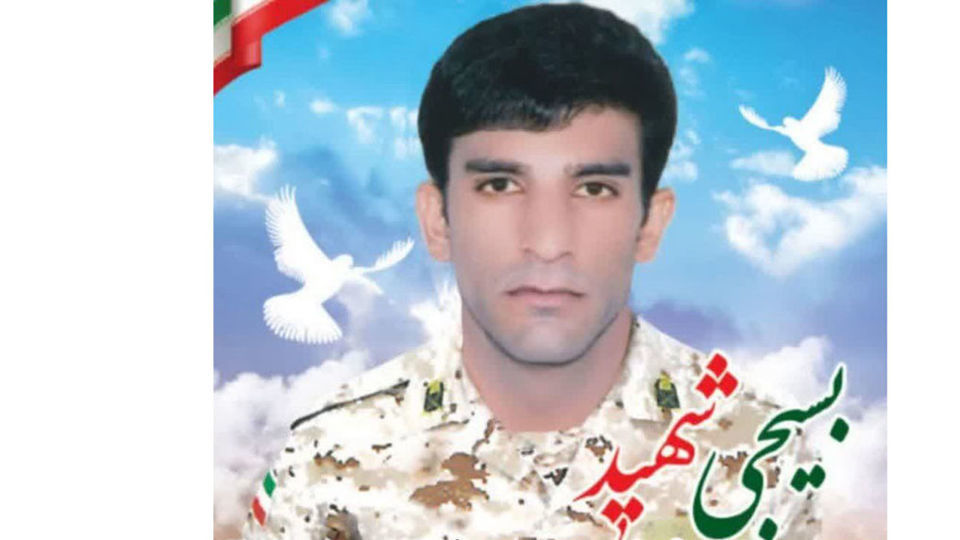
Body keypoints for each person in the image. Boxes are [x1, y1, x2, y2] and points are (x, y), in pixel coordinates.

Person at [241, 4, 820, 539]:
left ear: (650, 222)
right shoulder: (326, 459)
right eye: (500, 185)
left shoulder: (761, 455)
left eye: (594, 189)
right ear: (438, 219)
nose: (547, 242)